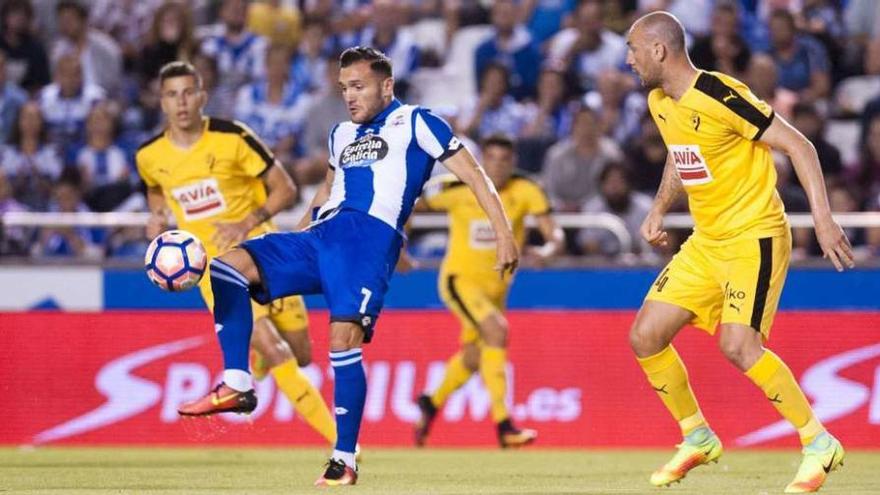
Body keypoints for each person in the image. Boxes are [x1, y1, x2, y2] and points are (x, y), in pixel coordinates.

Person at [176, 47, 519, 487]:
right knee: (227, 268)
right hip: (320, 236)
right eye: (343, 89)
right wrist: (292, 240)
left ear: (387, 85)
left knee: (341, 341)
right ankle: (238, 382)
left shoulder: (417, 122)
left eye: (358, 86)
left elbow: (475, 174)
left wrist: (504, 232)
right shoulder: (341, 134)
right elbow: (324, 194)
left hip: (368, 240)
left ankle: (344, 458)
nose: (350, 97)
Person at [625, 11, 853, 494]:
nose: (629, 60)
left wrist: (824, 219)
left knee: (738, 346)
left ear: (660, 50)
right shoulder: (660, 101)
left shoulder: (722, 96)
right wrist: (660, 208)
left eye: (633, 49)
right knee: (645, 336)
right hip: (707, 241)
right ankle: (697, 435)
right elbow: (679, 151)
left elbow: (800, 146)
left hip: (754, 235)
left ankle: (818, 443)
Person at [136, 61, 338, 450]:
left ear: (202, 97)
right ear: (162, 102)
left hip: (264, 254)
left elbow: (285, 188)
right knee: (275, 348)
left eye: (188, 92)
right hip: (216, 270)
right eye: (172, 95)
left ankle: (259, 360)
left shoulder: (232, 138)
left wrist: (246, 223)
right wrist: (157, 217)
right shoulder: (149, 155)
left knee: (303, 354)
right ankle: (344, 445)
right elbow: (156, 191)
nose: (181, 102)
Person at [413, 134, 562, 449]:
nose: (497, 165)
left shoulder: (526, 190)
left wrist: (548, 250)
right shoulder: (459, 188)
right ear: (482, 160)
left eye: (504, 160)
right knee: (497, 331)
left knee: (473, 356)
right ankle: (504, 425)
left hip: (497, 290)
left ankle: (430, 401)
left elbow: (553, 231)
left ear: (512, 162)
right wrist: (396, 243)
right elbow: (413, 205)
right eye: (491, 159)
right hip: (459, 281)